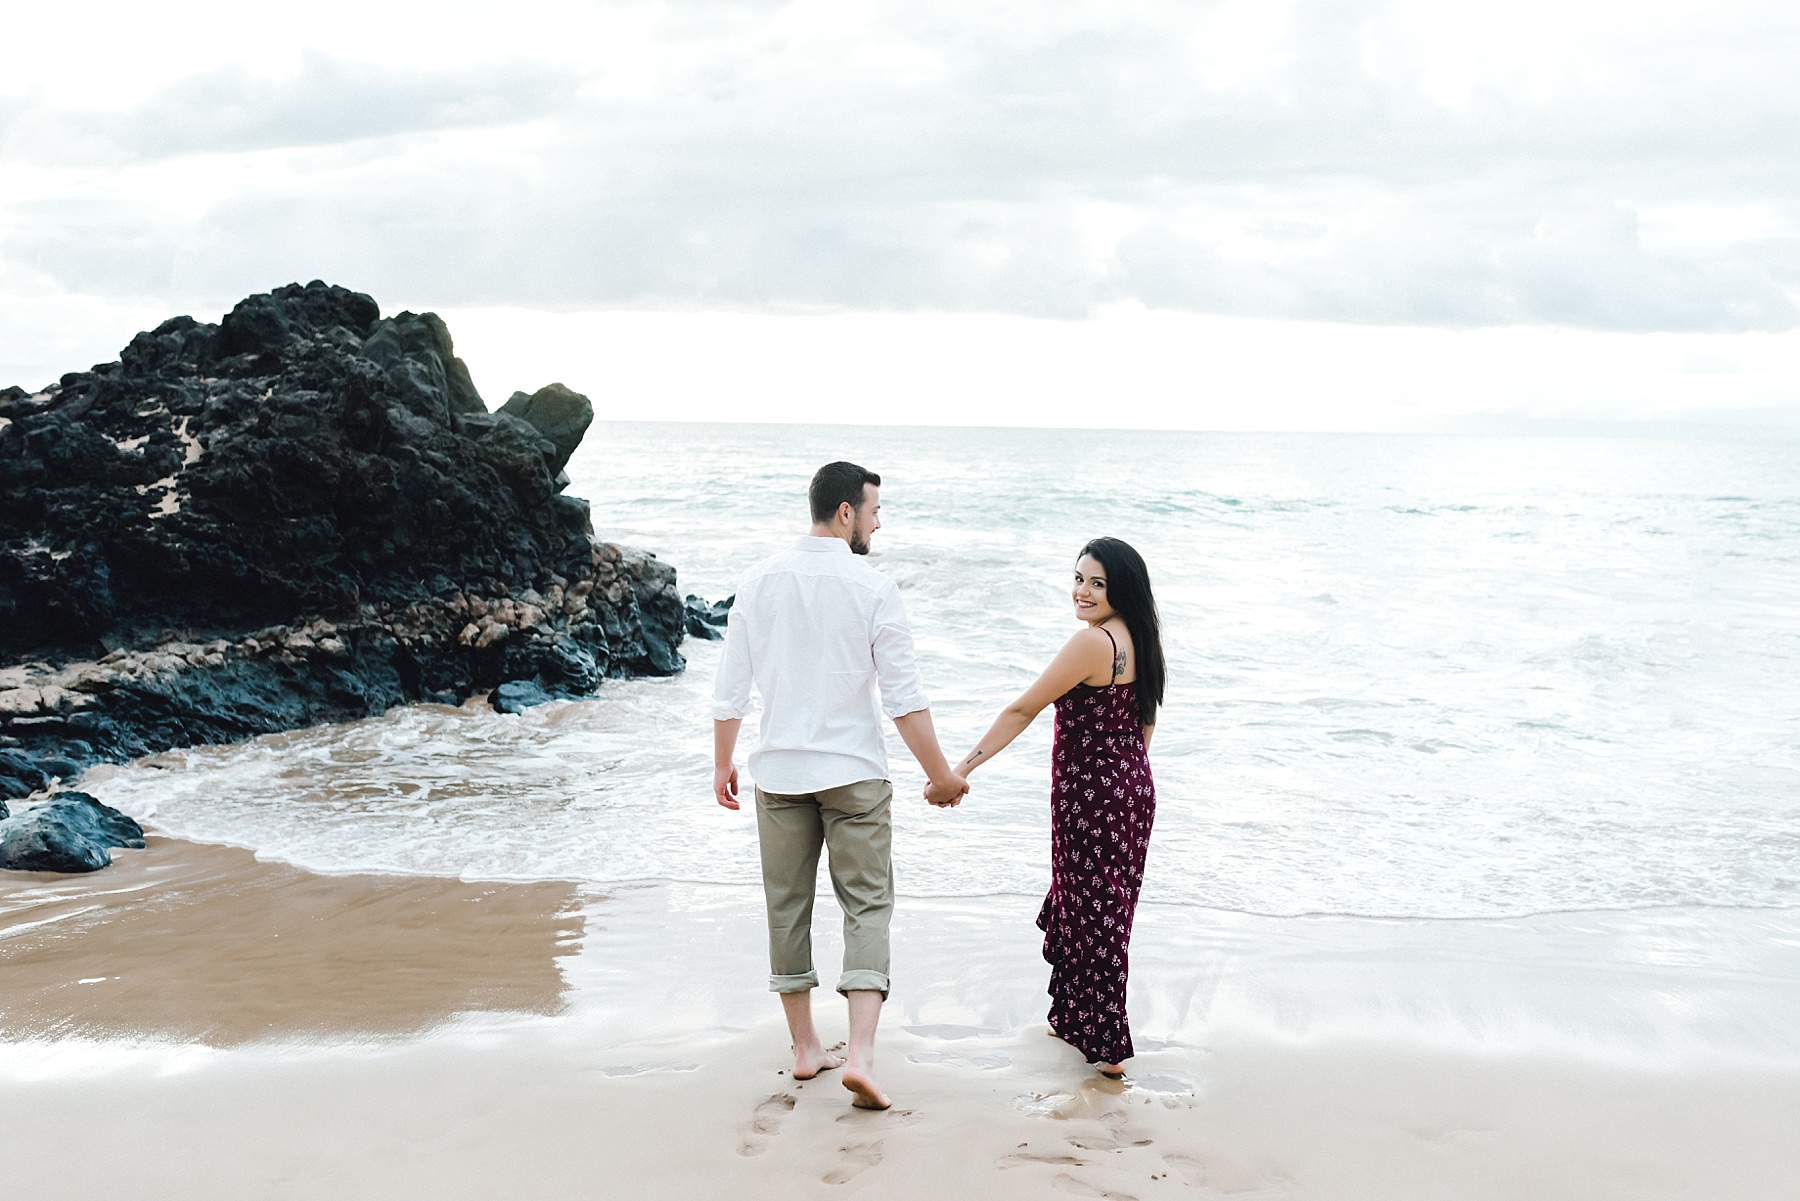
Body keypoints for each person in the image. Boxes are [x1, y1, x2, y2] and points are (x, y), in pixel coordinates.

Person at [712, 461, 969, 1110]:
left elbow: (729, 690)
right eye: (875, 511)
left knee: (787, 905)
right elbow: (904, 701)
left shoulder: (758, 579)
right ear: (847, 512)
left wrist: (723, 763)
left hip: (780, 773)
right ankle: (859, 1055)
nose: (879, 523)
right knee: (867, 905)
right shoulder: (874, 588)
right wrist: (941, 774)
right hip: (855, 773)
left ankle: (804, 1049)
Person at [950, 537, 1163, 1079]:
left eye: (1097, 583)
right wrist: (1121, 781)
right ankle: (1077, 1014)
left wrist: (961, 770)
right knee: (1105, 905)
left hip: (1090, 796)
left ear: (1122, 589)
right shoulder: (1140, 639)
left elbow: (1022, 708)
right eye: (1078, 579)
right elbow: (1145, 726)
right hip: (1130, 789)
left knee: (1095, 910)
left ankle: (1108, 1042)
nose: (1083, 591)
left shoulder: (1092, 645)